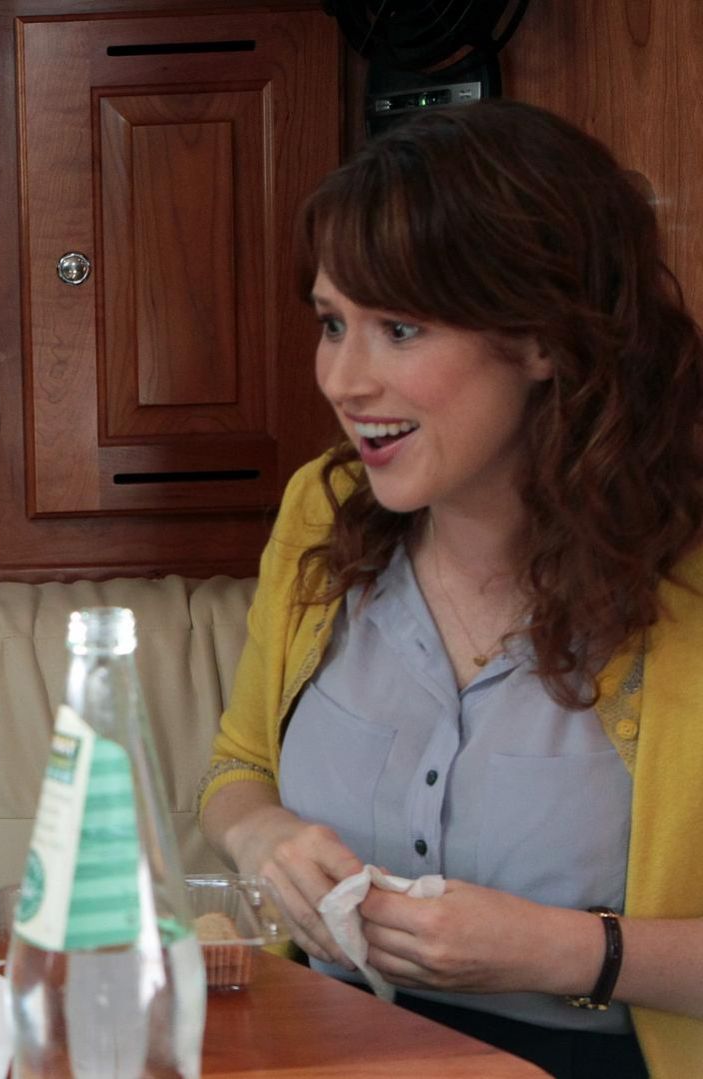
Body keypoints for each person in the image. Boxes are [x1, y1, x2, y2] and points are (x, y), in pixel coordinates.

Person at [198, 101, 703, 1078]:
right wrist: (263, 834)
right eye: (331, 323)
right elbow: (237, 765)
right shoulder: (317, 510)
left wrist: (566, 949)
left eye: (398, 327)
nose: (342, 378)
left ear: (543, 338)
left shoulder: (685, 574)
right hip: (313, 1047)